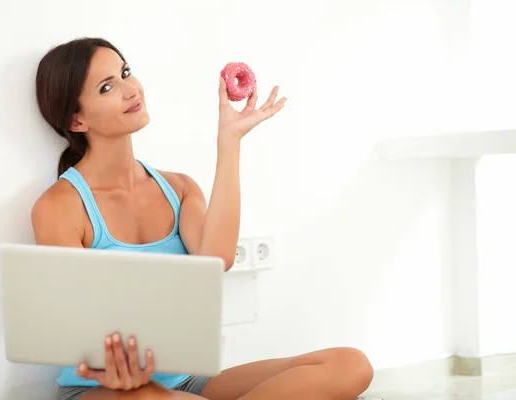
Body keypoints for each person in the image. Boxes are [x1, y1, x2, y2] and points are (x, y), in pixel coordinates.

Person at [32, 37, 375, 400]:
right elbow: (75, 326)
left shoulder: (178, 188)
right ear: (77, 118)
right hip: (105, 389)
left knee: (351, 365)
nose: (131, 89)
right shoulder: (59, 206)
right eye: (107, 86)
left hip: (184, 383)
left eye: (126, 73)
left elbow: (216, 260)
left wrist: (230, 140)